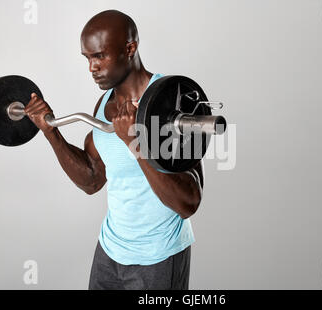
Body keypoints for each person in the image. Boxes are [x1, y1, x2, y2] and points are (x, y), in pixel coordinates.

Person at [23, 9, 204, 290]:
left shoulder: (172, 99)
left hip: (158, 256)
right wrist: (51, 132)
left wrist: (135, 141)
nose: (91, 67)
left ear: (129, 48)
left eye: (99, 56)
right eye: (87, 58)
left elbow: (188, 202)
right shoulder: (104, 103)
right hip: (110, 252)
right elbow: (93, 179)